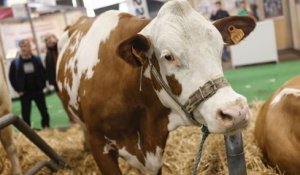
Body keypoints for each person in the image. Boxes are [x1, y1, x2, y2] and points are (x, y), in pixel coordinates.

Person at [9, 39, 50, 128]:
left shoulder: (37, 59)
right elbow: (11, 77)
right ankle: (28, 130)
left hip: (37, 90)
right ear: (20, 48)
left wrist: (42, 85)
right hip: (24, 93)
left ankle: (46, 126)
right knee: (26, 113)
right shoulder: (15, 63)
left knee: (44, 111)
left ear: (30, 47)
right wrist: (18, 90)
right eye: (22, 47)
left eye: (26, 46)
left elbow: (43, 72)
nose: (24, 48)